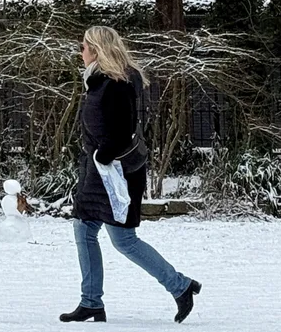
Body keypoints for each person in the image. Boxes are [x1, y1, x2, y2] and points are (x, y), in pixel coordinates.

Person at [61, 26, 201, 325]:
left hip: (117, 172)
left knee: (124, 240)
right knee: (84, 230)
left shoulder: (117, 83)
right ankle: (90, 302)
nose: (80, 51)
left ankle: (180, 286)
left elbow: (122, 130)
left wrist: (103, 154)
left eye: (83, 46)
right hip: (97, 171)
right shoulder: (99, 80)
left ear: (96, 49)